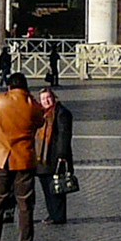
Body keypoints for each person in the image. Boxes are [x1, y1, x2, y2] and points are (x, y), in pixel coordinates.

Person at [0, 72, 45, 241]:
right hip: (23, 159)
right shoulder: (32, 105)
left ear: (9, 87)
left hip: (0, 157)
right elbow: (40, 121)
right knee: (25, 205)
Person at [34, 86, 74, 225]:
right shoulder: (40, 113)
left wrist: (62, 154)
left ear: (54, 97)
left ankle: (59, 216)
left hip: (55, 157)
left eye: (48, 98)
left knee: (58, 188)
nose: (46, 101)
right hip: (42, 159)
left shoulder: (61, 113)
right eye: (43, 98)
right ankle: (52, 214)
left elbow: (64, 135)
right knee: (48, 189)